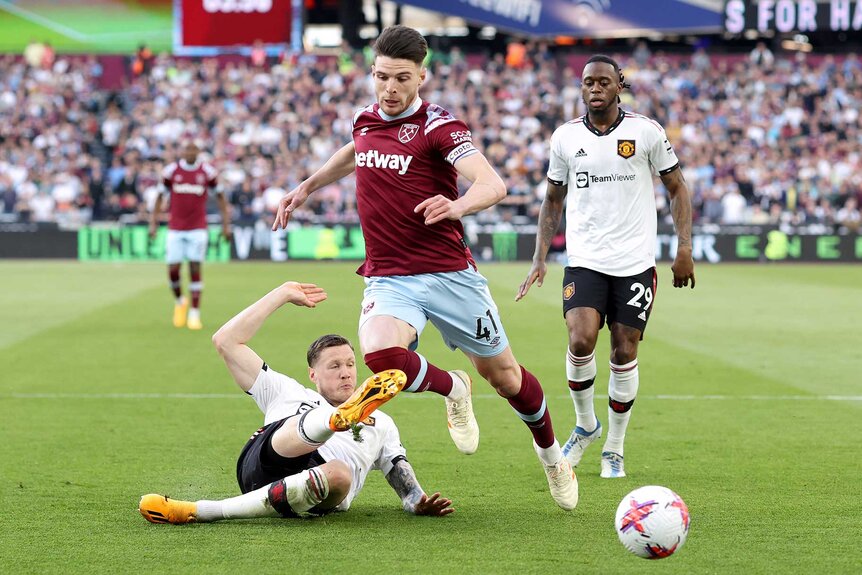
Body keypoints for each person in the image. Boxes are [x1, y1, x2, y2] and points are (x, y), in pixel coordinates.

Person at [271, 25, 578, 510]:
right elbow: (356, 151)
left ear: (422, 77)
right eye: (381, 77)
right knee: (379, 355)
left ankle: (552, 456)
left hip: (449, 274)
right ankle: (454, 387)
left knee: (507, 379)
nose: (389, 89)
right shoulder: (366, 119)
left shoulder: (439, 127)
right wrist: (307, 186)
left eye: (400, 79)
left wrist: (457, 206)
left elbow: (492, 184)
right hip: (390, 275)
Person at [139, 281, 454, 524]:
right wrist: (282, 293)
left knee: (341, 474)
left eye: (350, 364)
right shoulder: (285, 391)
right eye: (334, 366)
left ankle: (199, 511)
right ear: (313, 374)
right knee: (297, 426)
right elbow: (225, 341)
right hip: (269, 461)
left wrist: (417, 500)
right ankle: (333, 420)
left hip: (319, 493)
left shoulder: (383, 424)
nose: (346, 373)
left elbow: (403, 480)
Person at [517, 55, 696, 479]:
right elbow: (553, 198)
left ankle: (614, 447)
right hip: (585, 260)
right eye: (587, 82)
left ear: (619, 85)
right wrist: (540, 256)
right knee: (580, 340)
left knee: (623, 350)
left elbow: (677, 187)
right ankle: (585, 425)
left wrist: (684, 248)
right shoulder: (564, 138)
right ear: (581, 88)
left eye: (603, 81)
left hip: (635, 263)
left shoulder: (646, 132)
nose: (594, 88)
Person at [149, 139, 231, 331]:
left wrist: (226, 225)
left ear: (198, 152)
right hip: (175, 228)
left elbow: (220, 197)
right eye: (187, 149)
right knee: (173, 270)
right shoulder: (171, 172)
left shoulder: (207, 173)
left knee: (195, 268)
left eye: (193, 149)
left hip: (197, 228)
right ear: (182, 152)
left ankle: (194, 314)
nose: (190, 153)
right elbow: (159, 196)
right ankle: (180, 301)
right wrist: (153, 222)